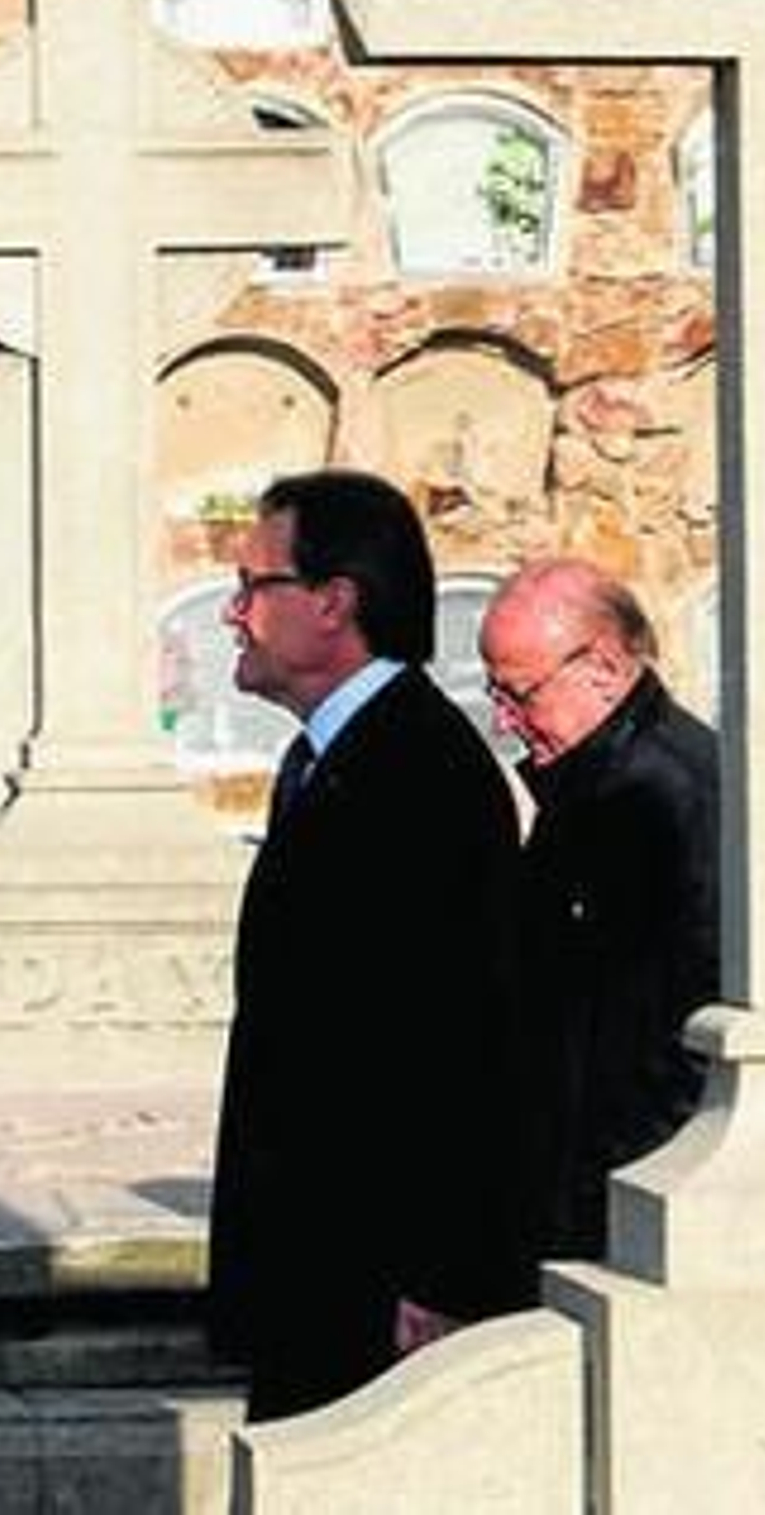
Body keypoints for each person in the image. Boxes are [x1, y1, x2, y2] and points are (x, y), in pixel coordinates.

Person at [206, 468, 528, 1424]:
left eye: (255, 586)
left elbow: (459, 1040)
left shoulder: (418, 774)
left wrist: (440, 1273)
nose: (233, 615)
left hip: (373, 1282)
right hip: (316, 1258)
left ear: (333, 603)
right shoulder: (330, 758)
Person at [480, 558, 720, 1264]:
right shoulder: (595, 784)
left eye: (520, 694)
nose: (504, 720)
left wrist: (600, 1199)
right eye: (495, 692)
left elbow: (666, 1038)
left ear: (606, 669)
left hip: (615, 1204)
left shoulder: (662, 800)